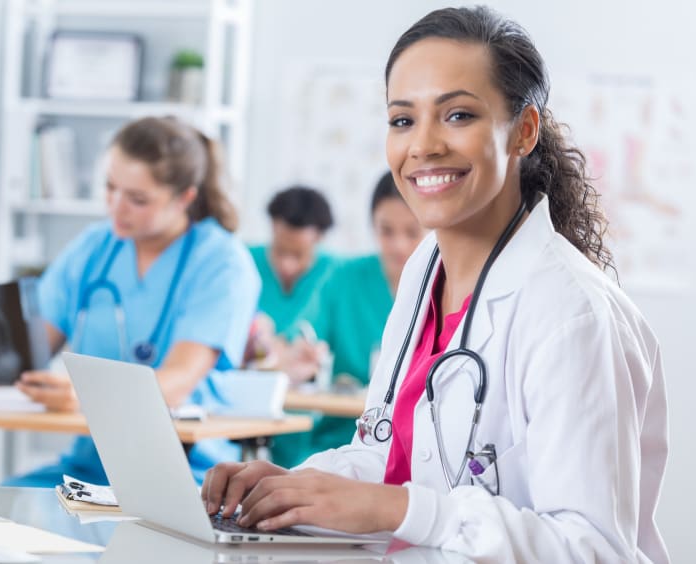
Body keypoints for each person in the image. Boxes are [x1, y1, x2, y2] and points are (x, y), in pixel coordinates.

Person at [202, 6, 669, 562]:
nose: (422, 145)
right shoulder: (426, 270)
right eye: (403, 120)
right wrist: (288, 488)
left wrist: (400, 509)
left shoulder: (573, 316)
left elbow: (594, 549)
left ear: (523, 132)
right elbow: (388, 455)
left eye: (458, 116)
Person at [5, 116, 260, 487]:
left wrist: (82, 396)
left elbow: (178, 381)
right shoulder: (95, 247)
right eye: (110, 188)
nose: (116, 207)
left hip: (180, 472)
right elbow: (25, 351)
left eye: (138, 199)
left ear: (185, 197)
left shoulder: (221, 262)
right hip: (89, 468)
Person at [270, 172, 425, 468]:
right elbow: (293, 341)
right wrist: (298, 356)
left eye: (412, 232)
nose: (398, 246)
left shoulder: (447, 285)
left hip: (415, 445)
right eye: (386, 231)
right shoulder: (344, 278)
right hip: (339, 440)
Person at [248, 186, 337, 339]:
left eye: (298, 255)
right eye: (280, 251)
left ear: (319, 239)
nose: (286, 265)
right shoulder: (245, 261)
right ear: (272, 227)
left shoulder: (334, 272)